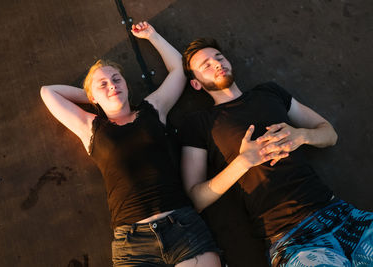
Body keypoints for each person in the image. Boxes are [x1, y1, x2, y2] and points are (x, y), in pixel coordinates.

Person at [179, 38, 373, 266]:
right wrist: (243, 161)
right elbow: (196, 198)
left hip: (339, 213)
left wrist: (302, 136)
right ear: (196, 84)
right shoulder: (200, 124)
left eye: (219, 58)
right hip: (292, 239)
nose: (217, 64)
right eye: (206, 65)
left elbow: (330, 134)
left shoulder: (268, 92)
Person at [40, 22, 221, 267]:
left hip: (181, 225)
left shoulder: (152, 109)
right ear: (92, 96)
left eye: (116, 80)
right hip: (133, 242)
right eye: (103, 84)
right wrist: (96, 99)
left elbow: (179, 69)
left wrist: (152, 35)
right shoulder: (91, 127)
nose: (113, 85)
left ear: (127, 85)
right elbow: (48, 92)